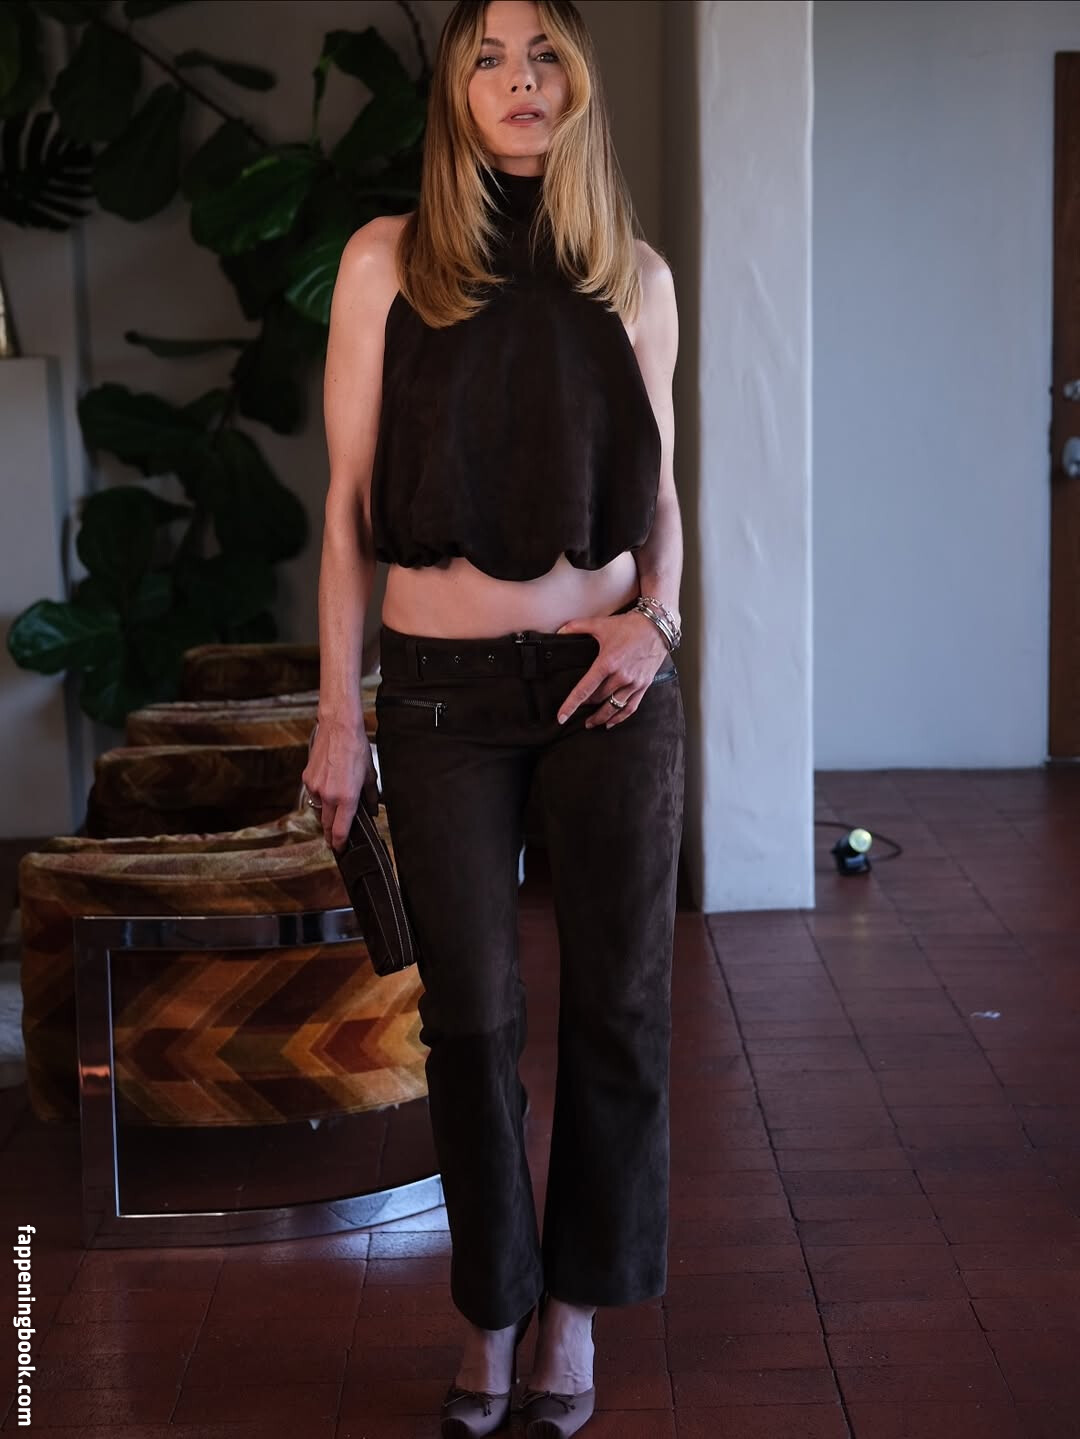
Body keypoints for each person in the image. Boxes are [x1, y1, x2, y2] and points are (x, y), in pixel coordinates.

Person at [302, 2, 685, 1434]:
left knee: (621, 1008)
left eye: (544, 57)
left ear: (577, 82)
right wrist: (340, 714)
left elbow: (662, 505)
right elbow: (346, 512)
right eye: (488, 58)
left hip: (609, 690)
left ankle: (571, 1319)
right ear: (455, 92)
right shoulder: (386, 264)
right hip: (442, 699)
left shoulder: (634, 276)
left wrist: (658, 620)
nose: (520, 82)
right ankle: (492, 1311)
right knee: (470, 1021)